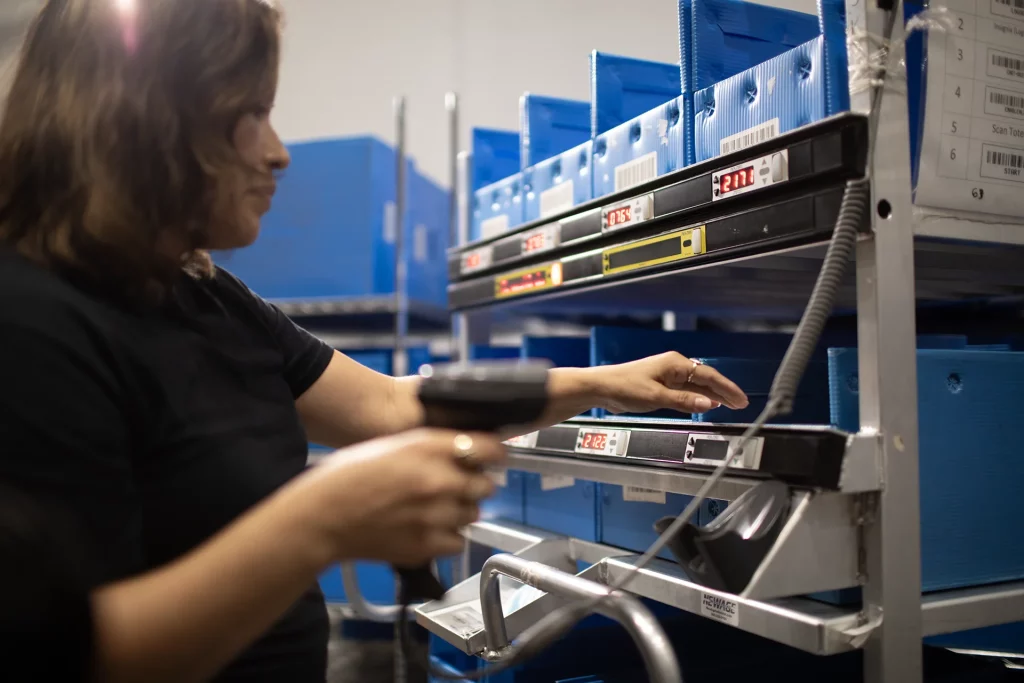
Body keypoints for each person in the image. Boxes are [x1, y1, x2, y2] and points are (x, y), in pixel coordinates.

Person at [0, 1, 749, 682]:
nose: (279, 151)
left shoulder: (206, 297)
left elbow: (394, 405)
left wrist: (604, 382)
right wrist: (321, 517)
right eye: (251, 113)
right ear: (145, 120)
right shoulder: (32, 324)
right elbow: (77, 651)